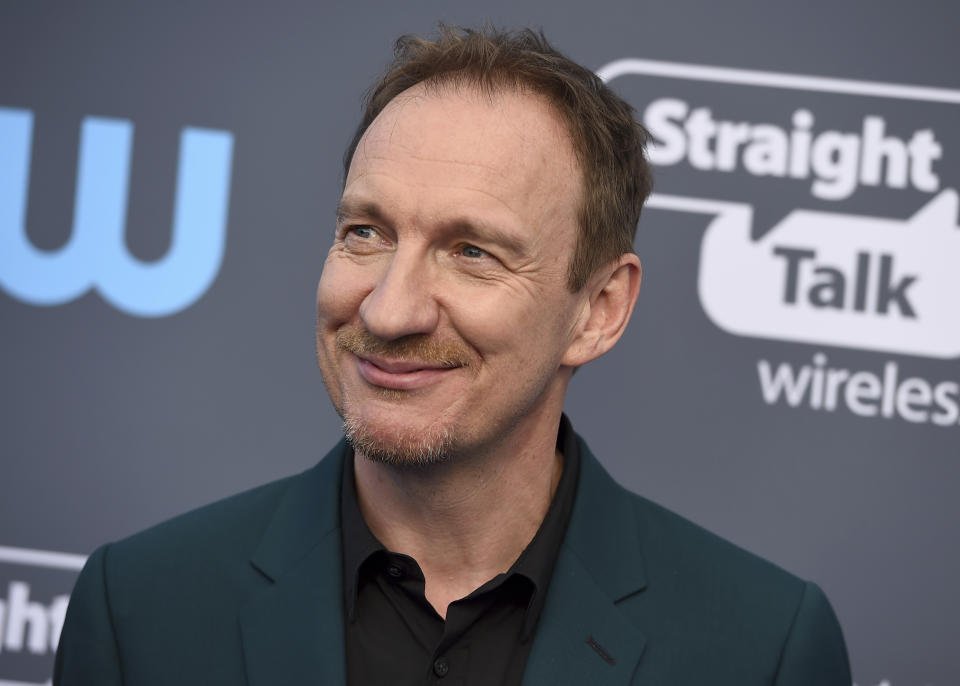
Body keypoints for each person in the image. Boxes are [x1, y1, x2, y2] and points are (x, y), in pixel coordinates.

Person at [54, 26, 851, 686]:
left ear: (598, 312)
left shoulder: (762, 648)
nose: (388, 308)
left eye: (471, 251)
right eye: (366, 233)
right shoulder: (140, 609)